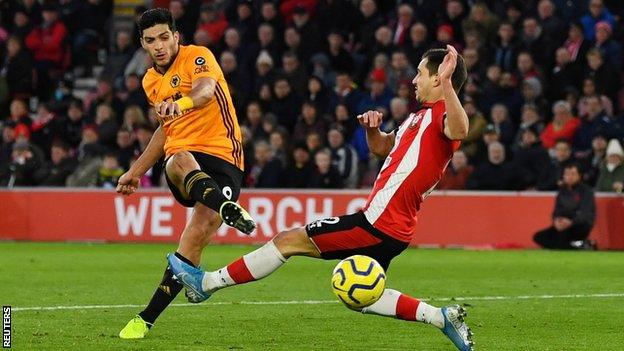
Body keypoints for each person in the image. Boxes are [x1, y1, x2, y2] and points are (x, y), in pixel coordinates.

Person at [168, 46, 474, 351]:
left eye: (420, 74)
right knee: (363, 296)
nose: (414, 80)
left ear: (437, 78)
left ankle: (206, 283)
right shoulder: (416, 118)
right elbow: (384, 147)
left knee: (287, 241)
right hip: (391, 226)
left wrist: (448, 84)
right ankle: (441, 317)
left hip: (378, 223)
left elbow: (462, 128)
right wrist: (372, 131)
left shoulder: (444, 115)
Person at [117, 9, 256, 339]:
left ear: (176, 36)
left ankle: (145, 319)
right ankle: (225, 206)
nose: (159, 46)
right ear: (143, 45)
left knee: (192, 244)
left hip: (224, 156)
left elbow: (206, 91)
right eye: (151, 41)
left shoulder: (198, 56)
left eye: (164, 37)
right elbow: (164, 132)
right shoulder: (151, 81)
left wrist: (179, 104)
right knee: (178, 156)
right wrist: (135, 171)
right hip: (185, 161)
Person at [533, 163, 596, 250]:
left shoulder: (586, 191)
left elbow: (585, 214)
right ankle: (580, 246)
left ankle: (571, 246)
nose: (569, 177)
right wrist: (557, 221)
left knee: (561, 237)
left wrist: (571, 222)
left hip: (580, 225)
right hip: (563, 224)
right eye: (567, 174)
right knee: (538, 237)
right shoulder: (562, 191)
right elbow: (556, 211)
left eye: (573, 174)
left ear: (579, 176)